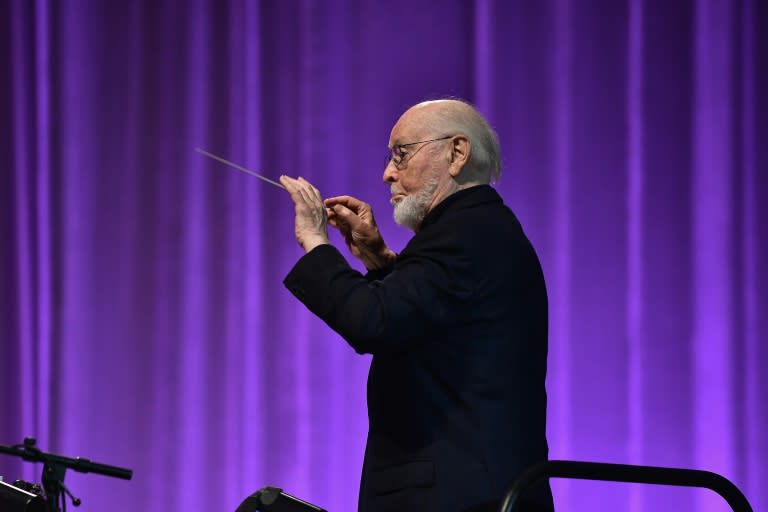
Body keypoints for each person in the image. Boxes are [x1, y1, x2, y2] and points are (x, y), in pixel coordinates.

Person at [279, 99, 554, 512]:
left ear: (456, 153)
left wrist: (316, 241)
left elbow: (373, 322)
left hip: (455, 497)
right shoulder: (479, 230)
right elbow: (427, 316)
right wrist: (378, 260)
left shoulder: (465, 235)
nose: (388, 173)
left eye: (401, 154)